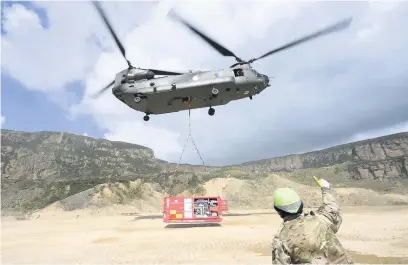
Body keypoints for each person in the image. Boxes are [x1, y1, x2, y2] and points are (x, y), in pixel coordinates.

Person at [271, 176, 353, 264]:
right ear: (301, 204)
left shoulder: (281, 239)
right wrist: (325, 188)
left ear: (278, 211)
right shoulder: (321, 219)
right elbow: (333, 209)